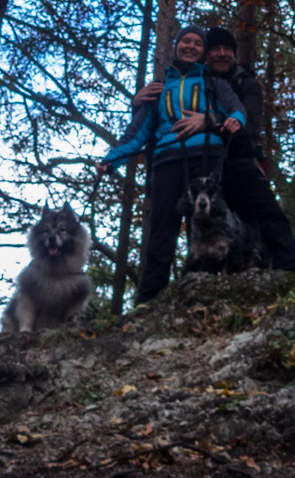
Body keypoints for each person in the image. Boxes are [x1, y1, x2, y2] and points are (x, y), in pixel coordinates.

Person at [95, 25, 246, 305]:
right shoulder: (158, 89)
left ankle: (203, 295)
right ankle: (149, 301)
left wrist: (234, 119)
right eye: (185, 41)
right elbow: (136, 135)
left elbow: (235, 109)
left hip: (205, 161)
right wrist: (111, 160)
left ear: (203, 51)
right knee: (161, 231)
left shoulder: (215, 84)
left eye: (197, 43)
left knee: (206, 227)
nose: (190, 46)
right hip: (166, 162)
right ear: (176, 46)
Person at [198, 26, 295, 272]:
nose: (222, 54)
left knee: (268, 217)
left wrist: (214, 121)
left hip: (241, 162)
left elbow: (248, 124)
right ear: (206, 55)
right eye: (215, 49)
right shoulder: (197, 84)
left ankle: (293, 271)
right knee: (210, 226)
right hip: (205, 167)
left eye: (227, 49)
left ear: (234, 54)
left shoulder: (247, 84)